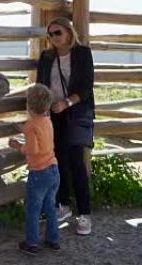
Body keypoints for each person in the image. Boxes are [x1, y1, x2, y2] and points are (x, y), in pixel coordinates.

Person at [36, 16, 95, 236]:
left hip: (76, 112)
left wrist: (67, 102)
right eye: (50, 34)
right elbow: (41, 85)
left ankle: (85, 215)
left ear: (69, 32)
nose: (53, 38)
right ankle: (63, 205)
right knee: (57, 161)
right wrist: (41, 109)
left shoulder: (82, 53)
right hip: (53, 114)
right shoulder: (46, 56)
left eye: (57, 33)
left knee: (77, 164)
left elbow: (87, 86)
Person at [8, 83, 60, 255]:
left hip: (39, 173)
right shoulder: (47, 120)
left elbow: (32, 150)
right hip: (53, 170)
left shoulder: (30, 125)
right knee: (50, 206)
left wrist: (17, 146)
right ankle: (53, 240)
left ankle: (31, 243)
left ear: (29, 106)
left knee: (33, 209)